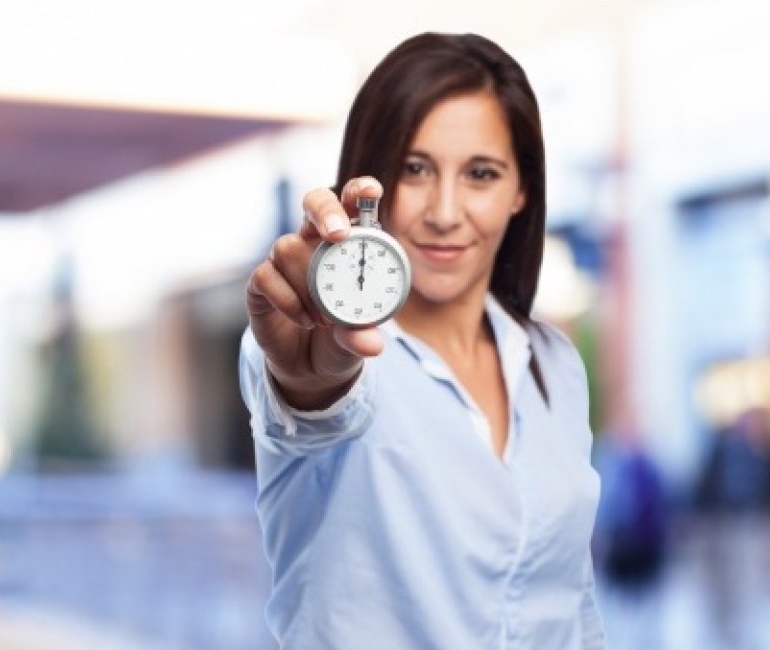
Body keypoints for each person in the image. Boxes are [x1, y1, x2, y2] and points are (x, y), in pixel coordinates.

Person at [238, 32, 604, 649]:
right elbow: (313, 398)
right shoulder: (334, 352)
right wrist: (312, 371)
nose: (444, 210)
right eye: (415, 169)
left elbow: (570, 603)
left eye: (481, 174)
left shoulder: (554, 363)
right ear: (372, 176)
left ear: (521, 191)